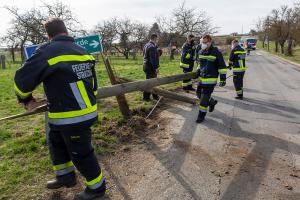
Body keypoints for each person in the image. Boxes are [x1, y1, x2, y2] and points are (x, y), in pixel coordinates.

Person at [13, 18, 106, 200]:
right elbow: (93, 85)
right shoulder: (83, 51)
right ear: (66, 31)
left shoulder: (48, 52)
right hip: (79, 111)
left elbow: (22, 80)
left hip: (71, 116)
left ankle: (97, 189)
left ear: (49, 35)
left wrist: (26, 99)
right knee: (56, 140)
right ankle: (65, 176)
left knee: (82, 154)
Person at [195, 35, 227, 123]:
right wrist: (198, 70)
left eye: (205, 42)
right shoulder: (201, 52)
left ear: (210, 42)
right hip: (201, 79)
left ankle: (201, 116)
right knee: (198, 94)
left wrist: (223, 79)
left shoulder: (216, 52)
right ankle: (211, 102)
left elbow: (222, 67)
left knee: (203, 101)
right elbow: (200, 64)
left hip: (210, 80)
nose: (203, 44)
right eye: (202, 42)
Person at [143, 33, 160, 101]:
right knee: (150, 83)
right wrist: (156, 68)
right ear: (155, 38)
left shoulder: (146, 45)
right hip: (150, 67)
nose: (157, 40)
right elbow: (152, 59)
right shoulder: (152, 47)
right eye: (157, 39)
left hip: (146, 66)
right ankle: (146, 97)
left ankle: (155, 96)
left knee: (151, 82)